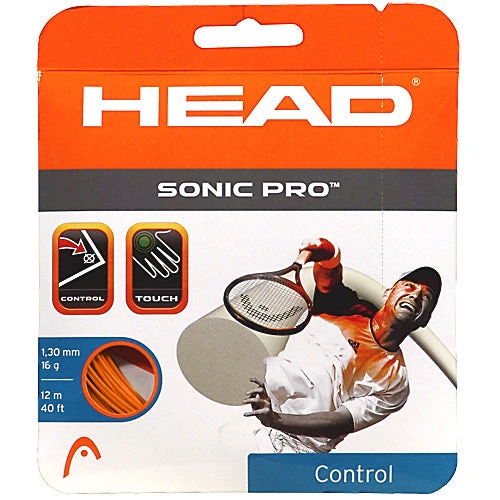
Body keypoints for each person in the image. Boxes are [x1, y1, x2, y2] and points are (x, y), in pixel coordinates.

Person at [242, 237, 442, 453]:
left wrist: (275, 420)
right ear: (386, 294)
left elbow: (341, 421)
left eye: (426, 296)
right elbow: (328, 270)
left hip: (297, 449)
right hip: (254, 412)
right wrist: (327, 250)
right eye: (409, 286)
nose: (415, 295)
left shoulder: (396, 382)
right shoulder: (345, 308)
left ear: (426, 319)